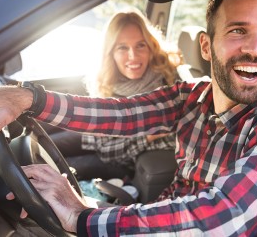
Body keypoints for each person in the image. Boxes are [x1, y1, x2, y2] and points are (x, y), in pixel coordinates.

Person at [0, 0, 257, 236]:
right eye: (238, 30)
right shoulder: (192, 96)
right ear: (207, 47)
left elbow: (228, 216)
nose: (256, 48)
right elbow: (118, 113)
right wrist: (28, 97)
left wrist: (82, 216)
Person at [48, 10, 179, 180]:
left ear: (151, 47)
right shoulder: (109, 81)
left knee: (59, 169)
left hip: (123, 161)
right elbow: (101, 138)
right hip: (98, 139)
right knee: (47, 145)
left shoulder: (168, 86)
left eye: (140, 45)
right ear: (111, 52)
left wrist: (148, 137)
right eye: (122, 47)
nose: (133, 56)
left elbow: (109, 152)